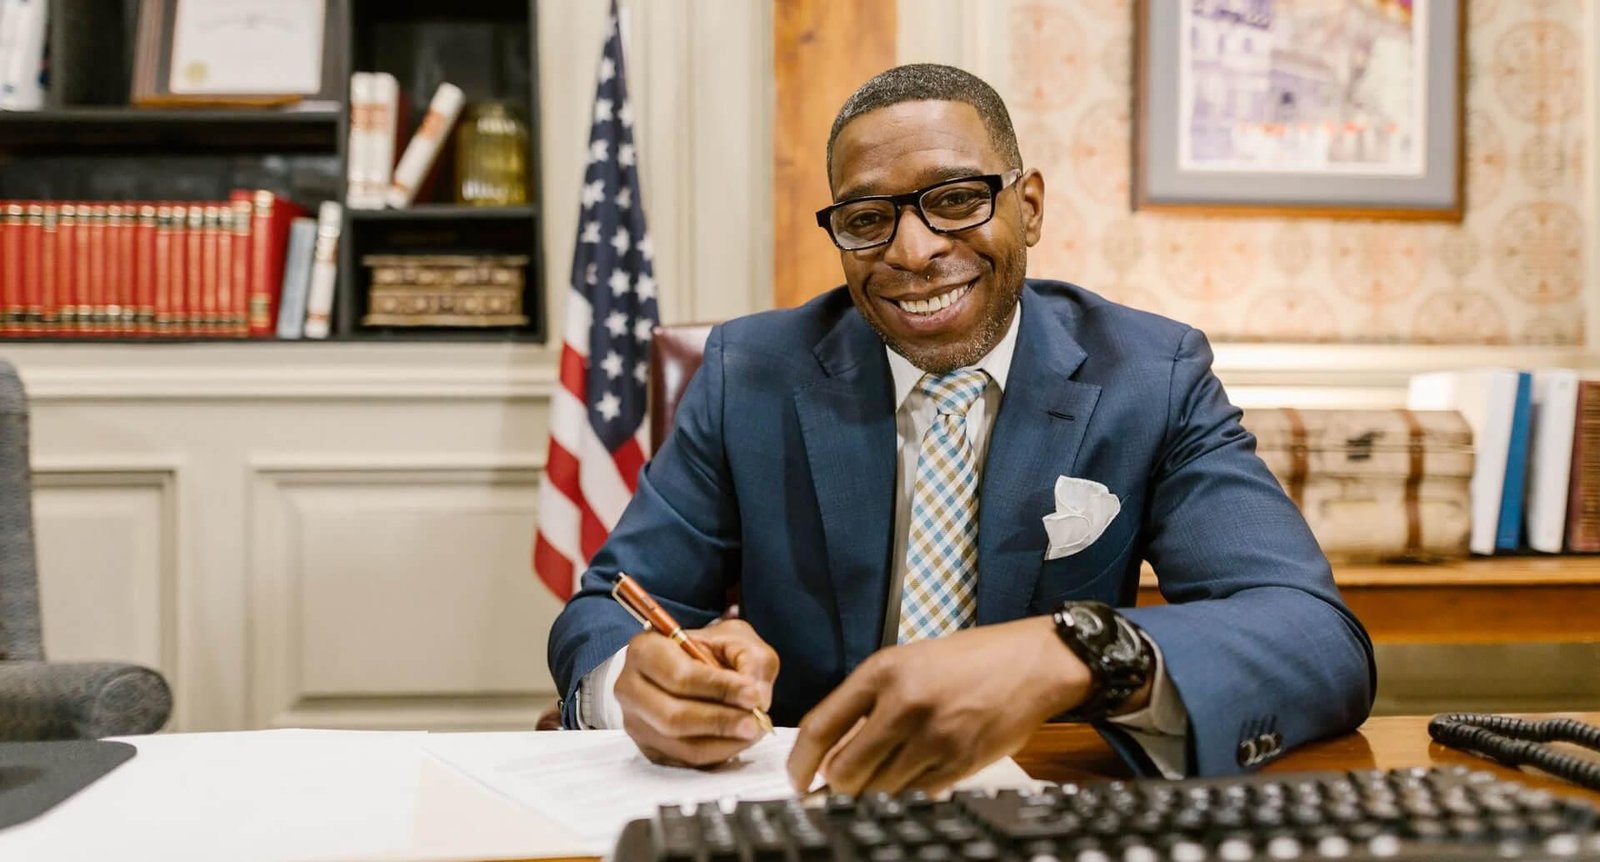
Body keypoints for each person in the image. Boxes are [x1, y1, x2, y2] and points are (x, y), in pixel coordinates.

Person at [548, 63, 1374, 793]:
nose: (912, 251)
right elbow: (610, 608)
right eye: (867, 218)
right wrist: (633, 683)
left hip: (1044, 797)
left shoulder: (1149, 376)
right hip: (801, 798)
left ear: (1029, 207)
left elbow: (1311, 633)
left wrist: (1072, 651)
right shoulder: (748, 374)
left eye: (954, 200)